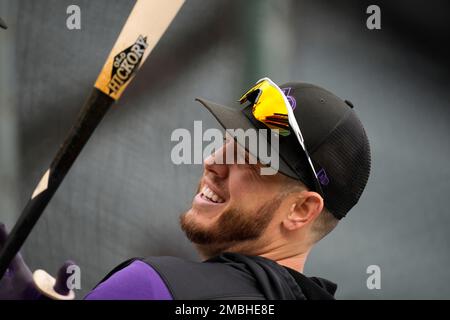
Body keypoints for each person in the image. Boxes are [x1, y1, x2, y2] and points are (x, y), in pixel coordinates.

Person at [0, 78, 371, 300]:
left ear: (301, 210)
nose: (213, 162)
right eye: (228, 141)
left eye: (250, 159)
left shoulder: (152, 287)